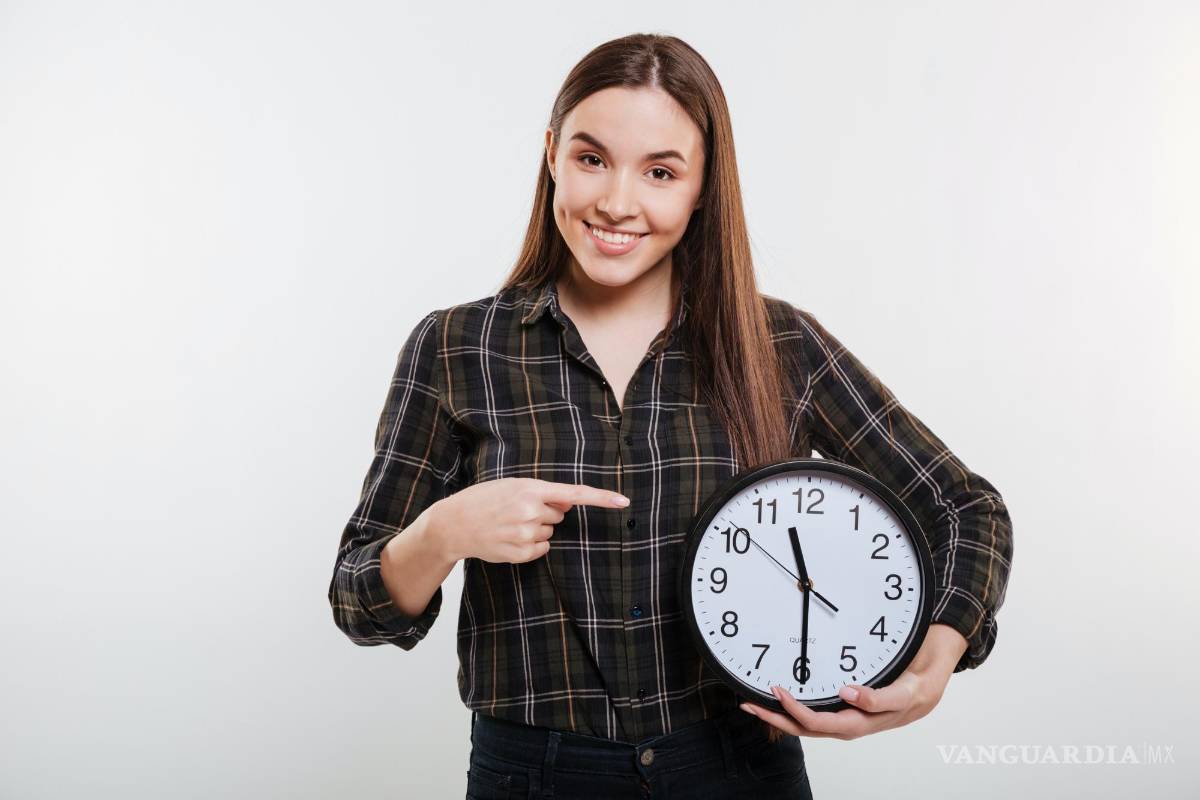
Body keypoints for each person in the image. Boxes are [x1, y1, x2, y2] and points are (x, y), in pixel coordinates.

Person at [327, 32, 1013, 799]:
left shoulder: (779, 343)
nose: (618, 202)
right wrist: (446, 530)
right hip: (535, 777)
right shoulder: (456, 347)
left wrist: (936, 661)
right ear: (552, 153)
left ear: (701, 188)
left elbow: (965, 507)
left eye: (660, 172)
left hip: (740, 772)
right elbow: (360, 601)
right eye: (591, 159)